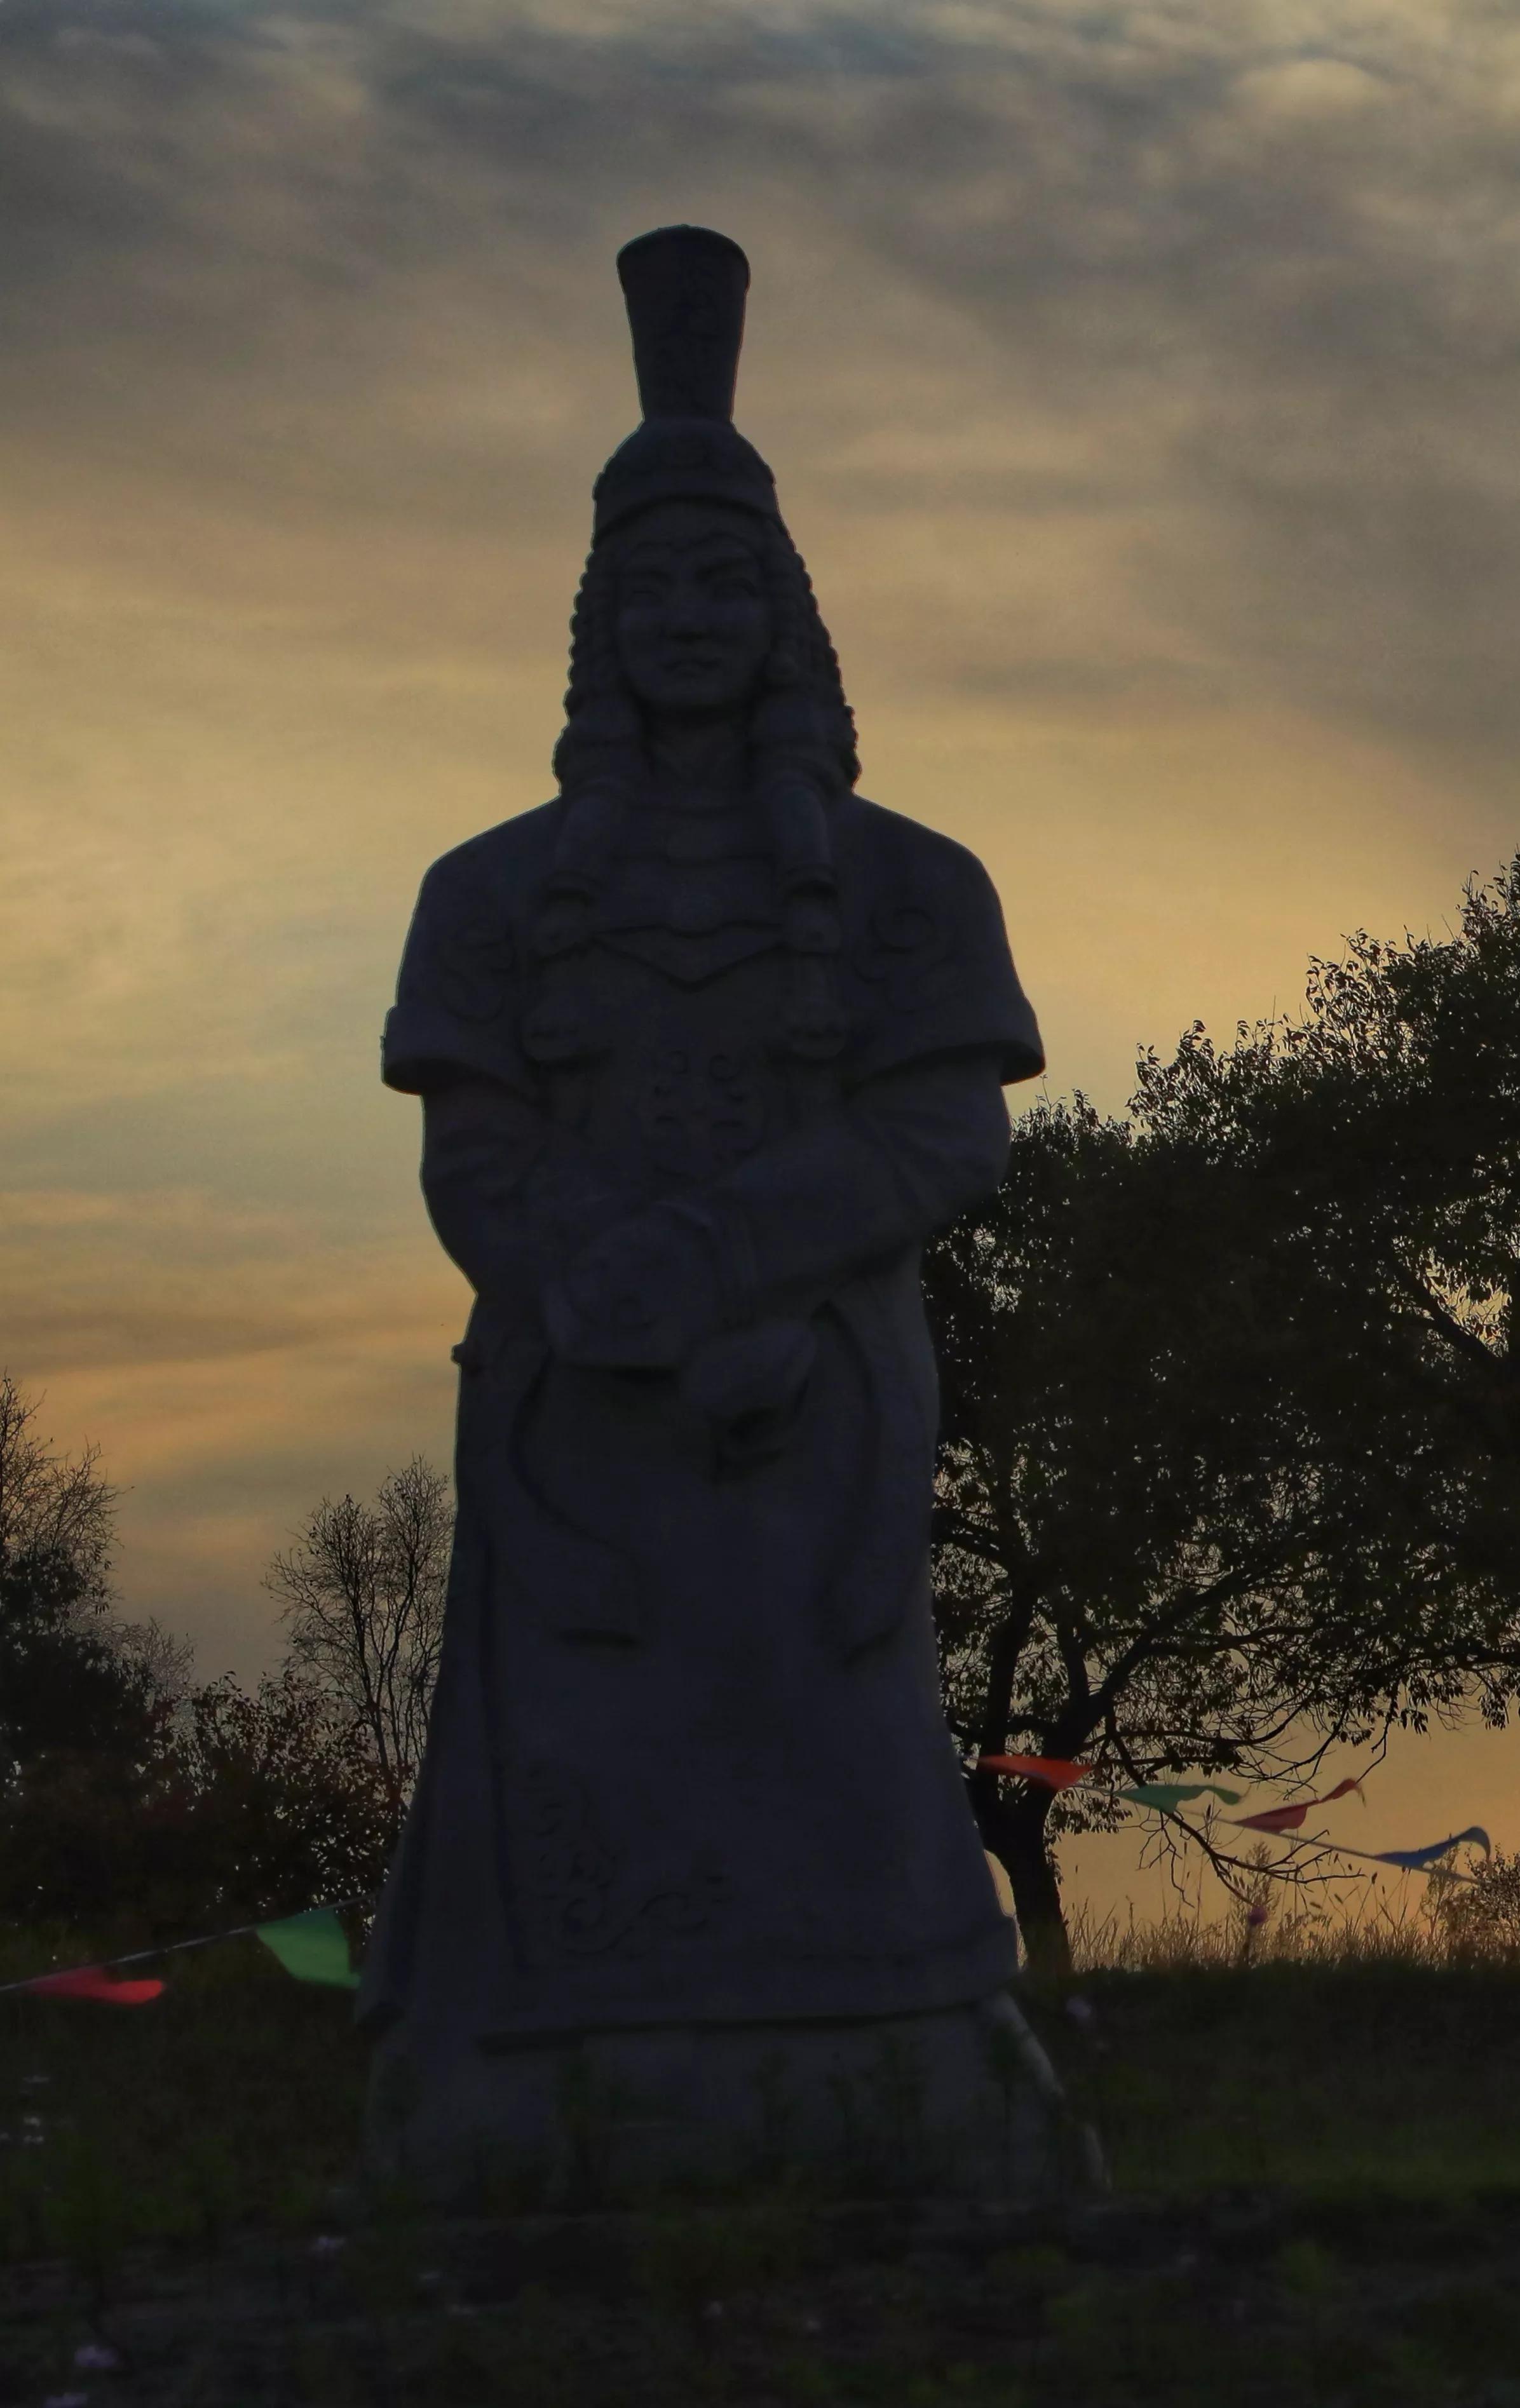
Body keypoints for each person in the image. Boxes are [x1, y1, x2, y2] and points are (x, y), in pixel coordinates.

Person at [363, 226, 1082, 2198]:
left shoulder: (917, 884)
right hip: (576, 1433)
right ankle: (531, 2121)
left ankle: (899, 2100)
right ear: (597, 622)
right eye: (651, 586)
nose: (690, 618)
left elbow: (948, 1139)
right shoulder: (490, 896)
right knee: (587, 1774)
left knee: (825, 1756)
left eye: (724, 582)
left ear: (788, 615)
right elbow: (474, 1158)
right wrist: (615, 1296)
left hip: (817, 1419)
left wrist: (732, 1261)